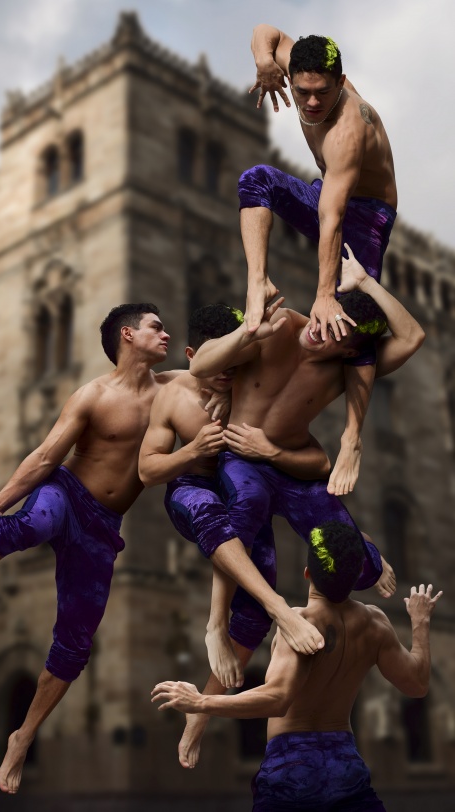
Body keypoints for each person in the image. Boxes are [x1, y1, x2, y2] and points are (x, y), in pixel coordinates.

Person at [0, 303, 195, 795]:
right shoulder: (92, 395)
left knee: (75, 643)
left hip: (102, 527)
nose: (166, 332)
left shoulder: (173, 387)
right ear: (128, 335)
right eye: (156, 325)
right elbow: (46, 455)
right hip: (65, 493)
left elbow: (220, 360)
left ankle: (22, 738)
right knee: (32, 522)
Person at [175, 246, 422, 769]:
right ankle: (212, 641)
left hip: (292, 462)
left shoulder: (343, 372)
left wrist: (368, 282)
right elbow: (201, 366)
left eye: (340, 337)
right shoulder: (283, 324)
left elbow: (413, 337)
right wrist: (246, 339)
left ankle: (367, 543)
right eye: (327, 319)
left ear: (352, 350)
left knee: (360, 569)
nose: (322, 333)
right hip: (246, 463)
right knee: (241, 519)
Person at [152, 521, 442, 812]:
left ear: (307, 574)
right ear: (355, 578)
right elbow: (416, 684)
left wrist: (201, 702)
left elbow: (278, 698)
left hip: (293, 767)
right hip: (345, 763)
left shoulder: (299, 623)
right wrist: (420, 623)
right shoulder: (375, 623)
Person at [139, 303, 332, 688]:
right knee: (215, 514)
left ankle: (199, 717)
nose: (228, 371)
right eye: (219, 361)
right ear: (195, 356)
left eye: (235, 360)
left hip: (245, 502)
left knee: (254, 611)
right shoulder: (175, 395)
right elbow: (147, 470)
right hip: (192, 491)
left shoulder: (255, 387)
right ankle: (269, 611)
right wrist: (192, 451)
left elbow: (317, 460)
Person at [242, 26, 397, 496]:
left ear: (341, 81)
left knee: (355, 320)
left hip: (364, 215)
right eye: (302, 92)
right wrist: (264, 62)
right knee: (256, 180)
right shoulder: (300, 64)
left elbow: (332, 220)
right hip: (326, 191)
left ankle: (352, 436)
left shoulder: (349, 131)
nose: (310, 104)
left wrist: (326, 294)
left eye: (322, 94)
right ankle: (257, 282)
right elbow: (265, 31)